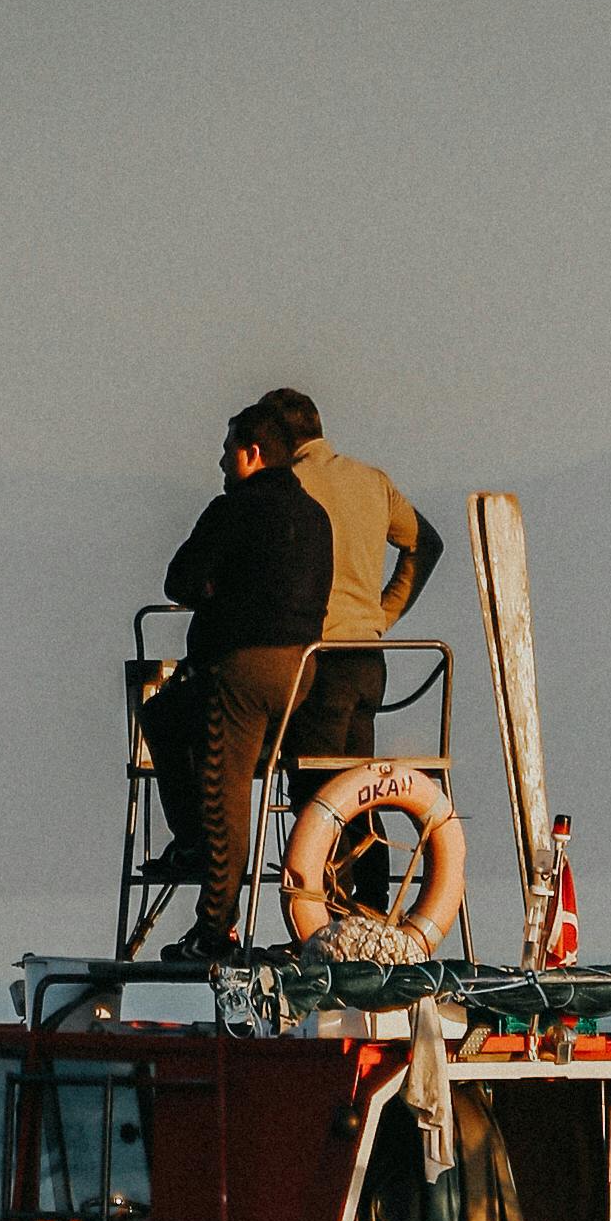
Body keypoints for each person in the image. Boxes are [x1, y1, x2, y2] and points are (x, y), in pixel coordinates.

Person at [141, 403, 334, 952]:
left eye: (228, 449)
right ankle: (195, 842)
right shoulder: (315, 515)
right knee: (166, 716)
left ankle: (213, 927)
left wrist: (215, 593)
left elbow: (180, 580)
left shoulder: (233, 510)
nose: (221, 460)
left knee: (225, 799)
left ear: (252, 454)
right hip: (302, 671)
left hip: (241, 672)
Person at [252, 387, 443, 912]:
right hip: (366, 657)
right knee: (361, 789)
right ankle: (376, 906)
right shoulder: (370, 481)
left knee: (319, 794)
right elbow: (425, 544)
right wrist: (384, 612)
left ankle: (334, 913)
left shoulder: (285, 488)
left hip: (316, 661)